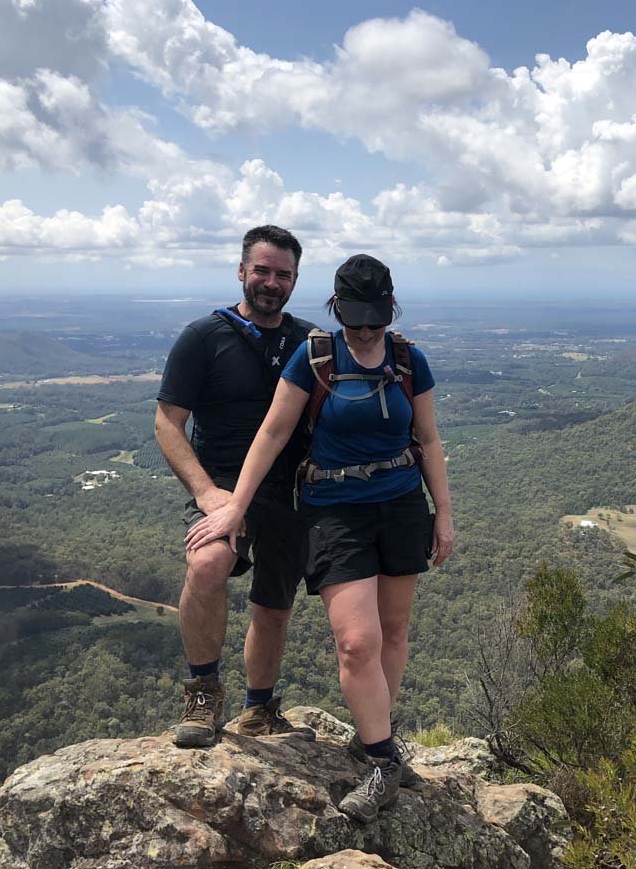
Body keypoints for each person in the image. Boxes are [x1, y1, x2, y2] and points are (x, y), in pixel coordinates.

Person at [185, 254, 454, 822]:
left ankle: (372, 737)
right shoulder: (315, 358)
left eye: (376, 320)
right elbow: (273, 432)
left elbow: (429, 440)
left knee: (393, 631)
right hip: (334, 510)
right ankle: (383, 762)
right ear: (336, 308)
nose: (366, 331)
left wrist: (444, 516)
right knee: (356, 641)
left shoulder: (409, 360)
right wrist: (234, 507)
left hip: (402, 505)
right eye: (356, 320)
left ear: (390, 310)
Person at [154, 225, 319, 748]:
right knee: (207, 563)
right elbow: (167, 423)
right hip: (223, 483)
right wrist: (207, 494)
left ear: (295, 280)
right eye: (262, 271)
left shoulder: (310, 342)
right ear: (242, 271)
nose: (271, 282)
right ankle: (203, 693)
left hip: (291, 489)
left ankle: (258, 710)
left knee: (274, 602)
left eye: (283, 274)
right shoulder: (204, 337)